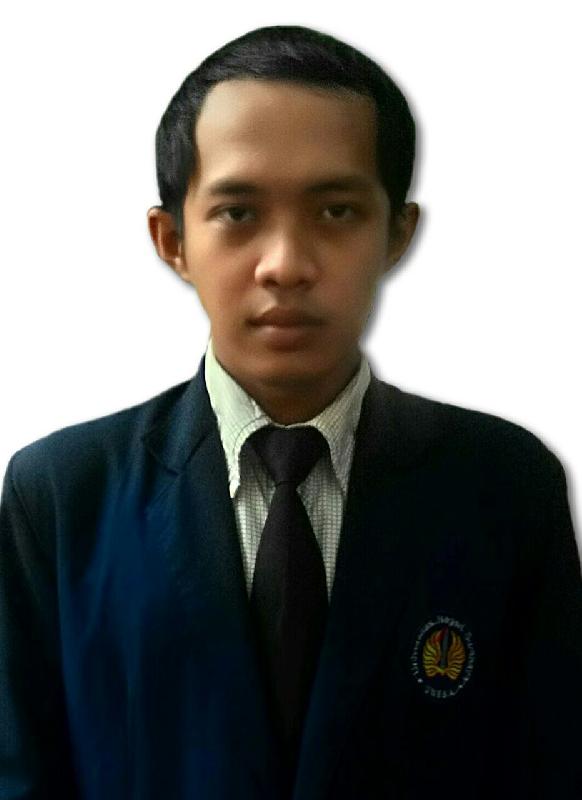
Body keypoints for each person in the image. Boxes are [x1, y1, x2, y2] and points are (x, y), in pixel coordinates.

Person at [1, 24, 581, 800]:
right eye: (238, 213)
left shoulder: (504, 487)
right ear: (172, 239)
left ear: (397, 233)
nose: (286, 265)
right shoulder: (61, 496)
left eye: (336, 211)